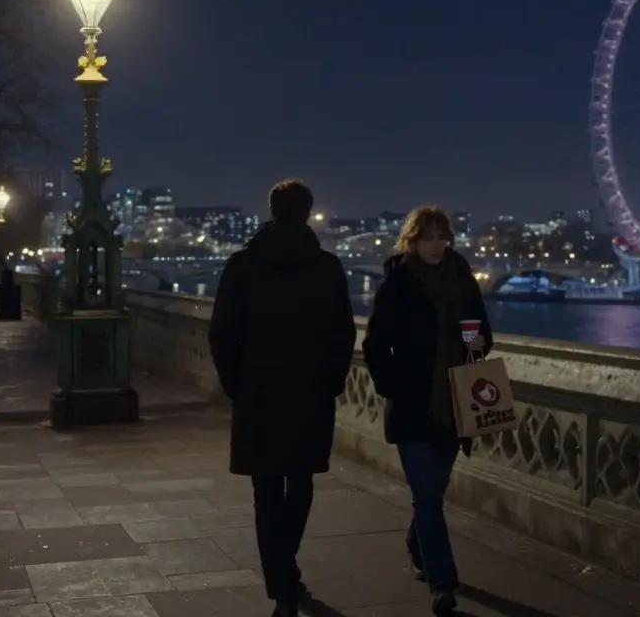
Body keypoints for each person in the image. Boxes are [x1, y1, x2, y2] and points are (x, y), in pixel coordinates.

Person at [208, 179, 356, 617]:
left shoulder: (242, 265)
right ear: (309, 213)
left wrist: (237, 384)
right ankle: (285, 570)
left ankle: (282, 585)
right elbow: (343, 334)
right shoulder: (327, 268)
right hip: (310, 392)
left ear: (271, 210)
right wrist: (330, 380)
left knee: (266, 489)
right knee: (301, 482)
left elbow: (221, 334)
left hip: (259, 392)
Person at [362, 205, 492, 616]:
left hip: (455, 402)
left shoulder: (463, 279)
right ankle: (443, 583)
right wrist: (392, 385)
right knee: (428, 496)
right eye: (429, 237)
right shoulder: (398, 283)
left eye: (442, 237)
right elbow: (375, 344)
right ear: (413, 241)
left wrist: (477, 344)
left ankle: (415, 545)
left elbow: (483, 333)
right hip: (413, 403)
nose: (437, 245)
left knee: (431, 494)